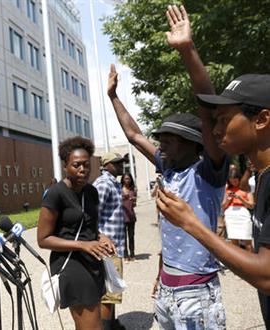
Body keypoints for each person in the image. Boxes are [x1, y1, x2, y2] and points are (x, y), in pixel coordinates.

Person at [107, 5, 230, 328]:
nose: (161, 144)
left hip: (198, 291)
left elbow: (208, 110)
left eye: (169, 139)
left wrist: (187, 50)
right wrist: (113, 97)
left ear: (194, 143)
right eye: (160, 138)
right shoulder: (170, 166)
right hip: (167, 288)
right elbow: (134, 135)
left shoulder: (208, 170)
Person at [155, 7, 270, 328]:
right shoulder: (262, 176)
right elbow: (205, 109)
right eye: (214, 122)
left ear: (261, 119)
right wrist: (187, 50)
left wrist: (191, 223)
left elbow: (266, 275)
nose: (215, 130)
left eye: (224, 120)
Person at [37, 136, 115, 330]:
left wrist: (102, 238)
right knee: (93, 327)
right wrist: (82, 244)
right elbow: (43, 239)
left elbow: (91, 228)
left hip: (92, 261)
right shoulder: (56, 193)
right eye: (76, 165)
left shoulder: (91, 192)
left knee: (89, 323)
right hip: (71, 263)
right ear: (65, 166)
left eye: (86, 165)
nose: (83, 170)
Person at [93, 152, 127, 330]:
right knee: (108, 294)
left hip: (114, 246)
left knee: (112, 289)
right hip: (107, 248)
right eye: (117, 162)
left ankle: (112, 324)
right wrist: (100, 238)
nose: (122, 164)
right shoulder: (104, 184)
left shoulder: (113, 183)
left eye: (122, 162)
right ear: (107, 165)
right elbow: (90, 215)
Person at [222, 169, 254, 252]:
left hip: (243, 213)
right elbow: (223, 206)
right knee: (234, 244)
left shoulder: (246, 188)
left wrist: (240, 198)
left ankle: (250, 262)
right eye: (231, 181)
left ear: (239, 178)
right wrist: (228, 199)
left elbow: (251, 205)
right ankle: (238, 264)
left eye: (235, 181)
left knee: (248, 243)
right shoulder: (227, 189)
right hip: (230, 214)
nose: (234, 183)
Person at [121, 173, 137, 261]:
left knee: (131, 236)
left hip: (131, 217)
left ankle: (132, 254)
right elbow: (116, 203)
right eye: (126, 178)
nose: (127, 180)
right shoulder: (119, 190)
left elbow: (134, 205)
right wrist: (122, 198)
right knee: (123, 237)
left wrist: (134, 201)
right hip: (122, 217)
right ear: (123, 179)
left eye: (129, 179)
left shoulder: (133, 190)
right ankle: (125, 255)